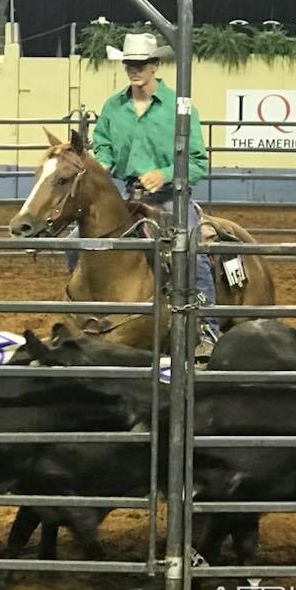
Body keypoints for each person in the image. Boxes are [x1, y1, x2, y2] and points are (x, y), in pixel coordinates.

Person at [64, 32, 219, 356]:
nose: (134, 69)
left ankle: (207, 329)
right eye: (129, 64)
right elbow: (103, 148)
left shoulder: (179, 108)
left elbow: (197, 161)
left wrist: (163, 173)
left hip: (170, 197)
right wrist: (99, 168)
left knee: (192, 250)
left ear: (155, 65)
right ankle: (90, 307)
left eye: (141, 63)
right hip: (128, 196)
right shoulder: (114, 106)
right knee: (77, 239)